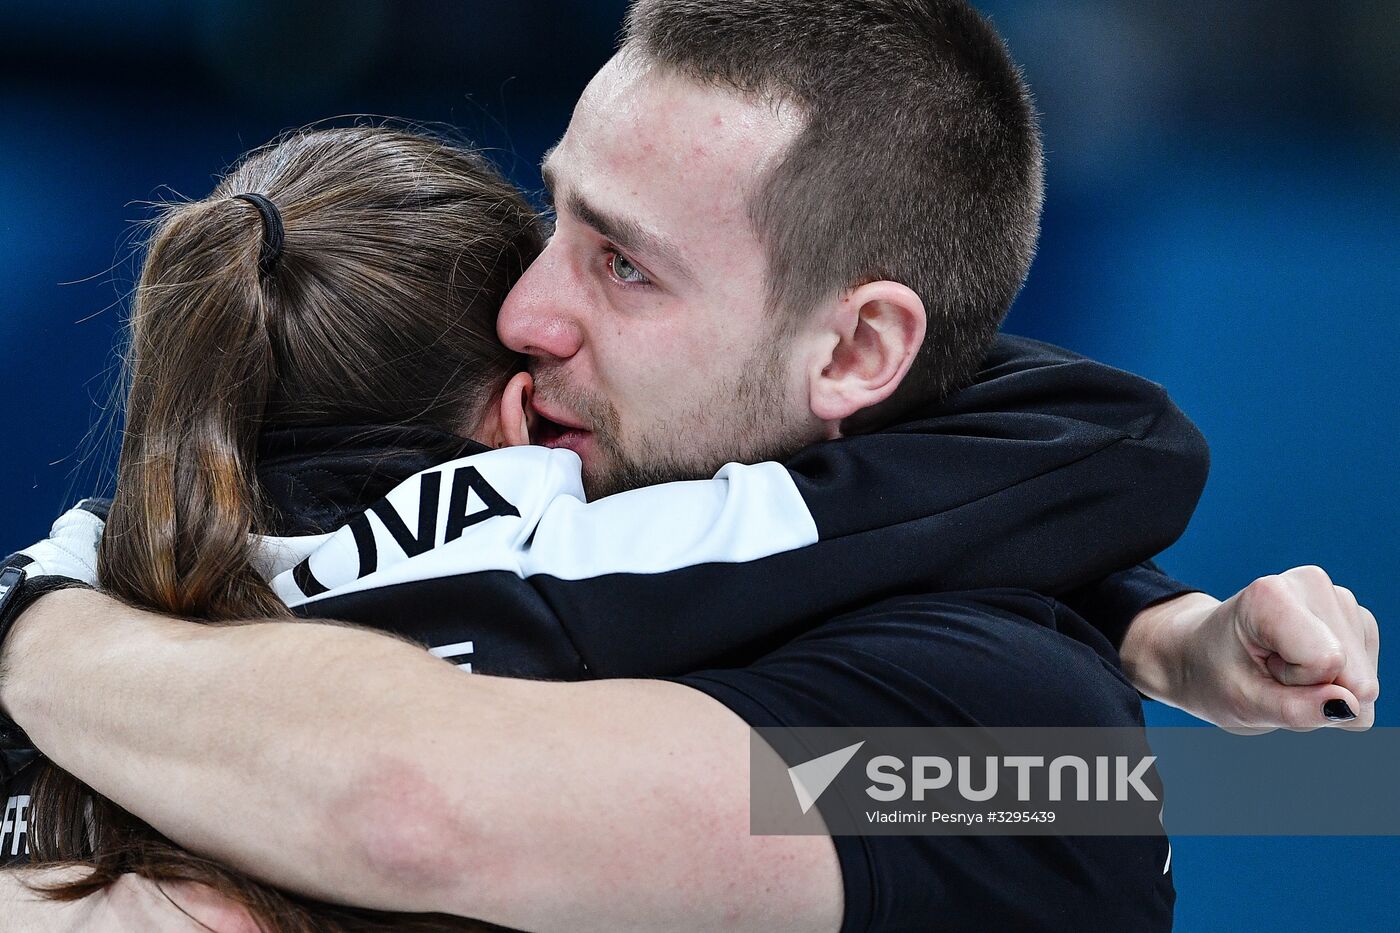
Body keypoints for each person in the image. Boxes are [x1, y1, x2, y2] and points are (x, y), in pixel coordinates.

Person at [0, 1, 1378, 930]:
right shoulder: (586, 536)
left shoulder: (1011, 736)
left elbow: (410, 802)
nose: (528, 309)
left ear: (857, 354)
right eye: (555, 210)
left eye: (624, 263)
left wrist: (38, 634)